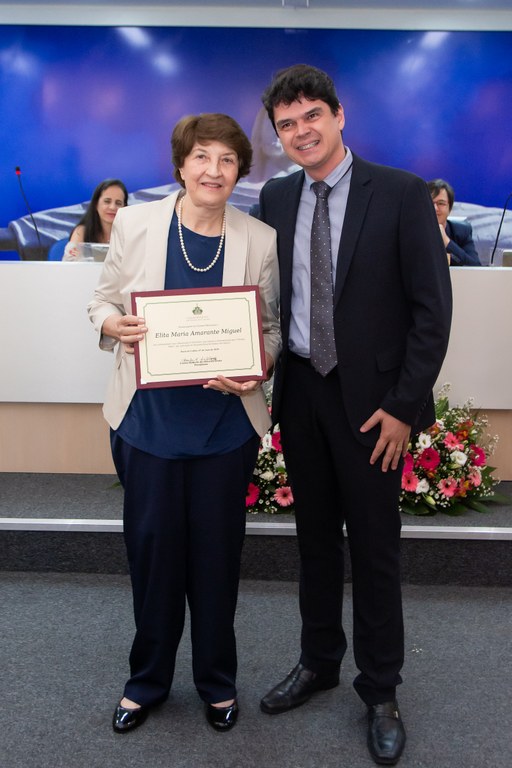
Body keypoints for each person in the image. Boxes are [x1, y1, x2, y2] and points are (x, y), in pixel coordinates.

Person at [257, 64, 452, 766]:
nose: (301, 131)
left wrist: (403, 408)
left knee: (374, 548)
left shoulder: (399, 192)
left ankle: (381, 689)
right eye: (287, 124)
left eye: (312, 115)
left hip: (374, 409)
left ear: (339, 117)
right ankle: (318, 662)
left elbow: (432, 312)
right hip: (302, 394)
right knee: (313, 541)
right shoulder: (276, 197)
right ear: (279, 137)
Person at [87, 114, 280, 734]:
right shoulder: (137, 224)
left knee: (217, 561)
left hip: (224, 430)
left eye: (227, 160)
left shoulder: (259, 238)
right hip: (147, 425)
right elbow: (103, 299)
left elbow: (270, 328)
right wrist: (110, 324)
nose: (213, 170)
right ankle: (146, 682)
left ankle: (217, 683)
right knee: (153, 561)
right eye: (202, 156)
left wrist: (260, 364)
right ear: (181, 165)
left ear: (239, 171)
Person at [63, 178, 128, 260]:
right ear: (96, 204)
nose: (112, 207)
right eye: (107, 201)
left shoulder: (130, 233)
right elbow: (69, 263)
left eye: (118, 203)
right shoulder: (81, 231)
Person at [427, 178, 481, 266]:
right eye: (430, 203)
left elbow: (476, 268)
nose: (435, 208)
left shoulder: (462, 232)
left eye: (441, 203)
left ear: (450, 208)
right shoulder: (411, 231)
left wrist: (446, 241)